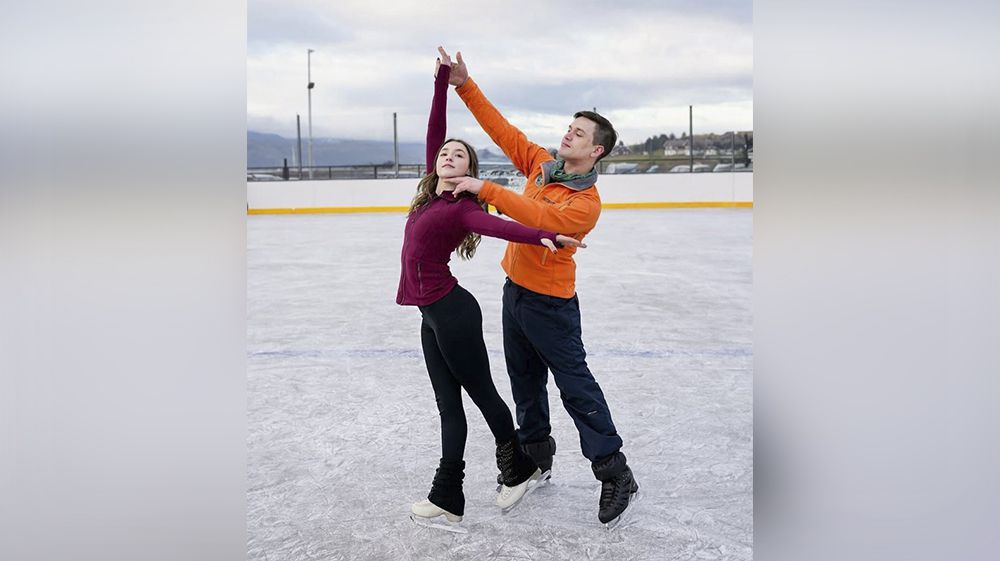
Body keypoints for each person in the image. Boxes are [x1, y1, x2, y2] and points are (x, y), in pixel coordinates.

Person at [441, 49, 640, 527]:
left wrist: (483, 188)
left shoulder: (585, 204)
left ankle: (615, 473)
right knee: (524, 384)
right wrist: (465, 85)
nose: (569, 133)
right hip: (516, 293)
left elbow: (539, 218)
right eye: (570, 126)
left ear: (596, 151)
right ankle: (535, 459)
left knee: (576, 388)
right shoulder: (541, 164)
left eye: (580, 132)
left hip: (552, 306)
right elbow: (502, 130)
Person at [398, 48, 586, 530]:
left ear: (467, 169)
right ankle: (449, 495)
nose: (446, 156)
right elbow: (434, 129)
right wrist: (442, 83)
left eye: (457, 155)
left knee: (481, 393)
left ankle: (516, 467)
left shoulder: (463, 206)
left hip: (453, 311)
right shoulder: (429, 187)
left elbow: (507, 229)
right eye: (443, 153)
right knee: (448, 404)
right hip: (431, 314)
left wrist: (548, 235)